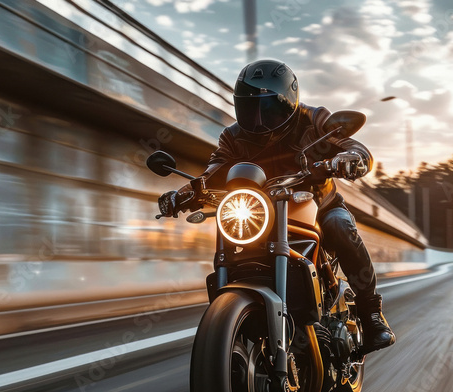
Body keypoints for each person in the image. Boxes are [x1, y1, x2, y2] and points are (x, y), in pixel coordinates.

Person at [158, 59, 394, 353]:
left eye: (268, 109)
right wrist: (182, 194)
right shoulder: (232, 137)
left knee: (340, 225)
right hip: (262, 213)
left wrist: (349, 159)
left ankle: (372, 314)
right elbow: (213, 172)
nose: (259, 119)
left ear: (289, 102)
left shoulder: (313, 119)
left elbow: (353, 147)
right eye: (250, 108)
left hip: (318, 207)